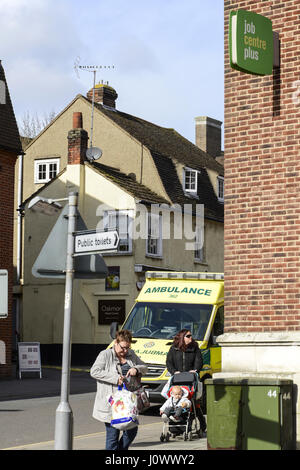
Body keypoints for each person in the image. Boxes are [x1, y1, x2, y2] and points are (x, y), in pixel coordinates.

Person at [90, 329, 147, 450]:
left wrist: (136, 369)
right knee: (113, 436)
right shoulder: (105, 355)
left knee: (132, 431)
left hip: (128, 403)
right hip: (112, 404)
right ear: (116, 342)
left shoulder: (130, 354)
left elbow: (145, 367)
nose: (125, 351)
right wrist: (115, 378)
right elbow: (94, 371)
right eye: (123, 348)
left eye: (128, 347)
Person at [166, 328, 206, 433]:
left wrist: (195, 370)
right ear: (182, 338)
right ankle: (178, 426)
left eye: (191, 336)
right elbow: (169, 362)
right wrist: (174, 371)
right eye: (188, 336)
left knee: (194, 404)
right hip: (178, 380)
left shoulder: (195, 347)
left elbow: (199, 361)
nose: (190, 338)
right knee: (176, 402)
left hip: (191, 380)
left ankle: (201, 424)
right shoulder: (174, 348)